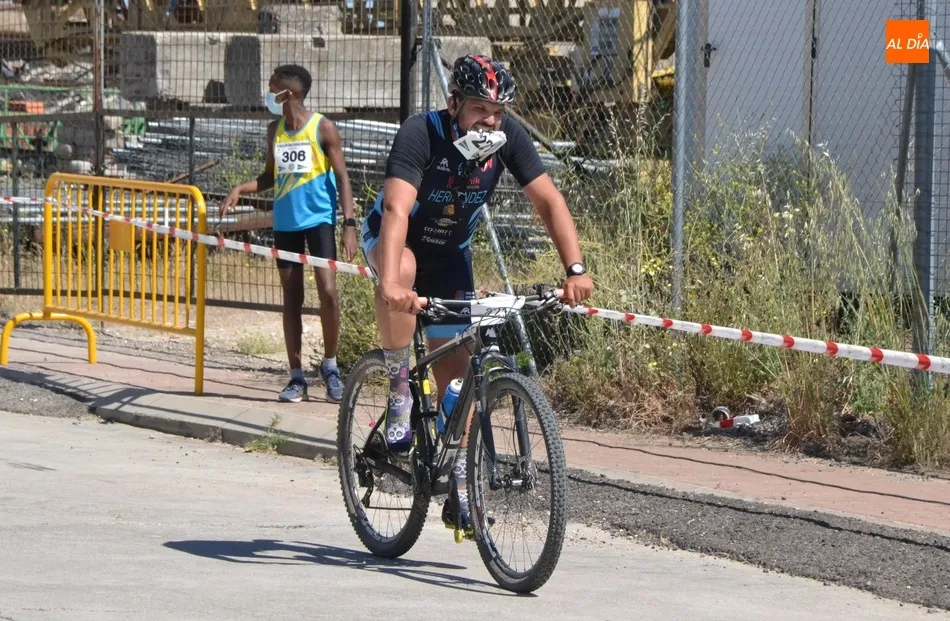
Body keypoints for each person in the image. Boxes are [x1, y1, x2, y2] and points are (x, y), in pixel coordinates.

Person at [360, 54, 594, 529]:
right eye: (479, 109)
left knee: (458, 378)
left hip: (450, 256)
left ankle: (461, 487)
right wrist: (390, 284)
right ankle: (400, 388)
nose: (489, 121)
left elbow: (549, 201)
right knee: (403, 268)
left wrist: (575, 270)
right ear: (454, 105)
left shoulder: (508, 140)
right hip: (396, 243)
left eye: (498, 112)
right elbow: (397, 211)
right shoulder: (420, 134)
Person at [220, 64, 358, 404]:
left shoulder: (322, 128)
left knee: (328, 291)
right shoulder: (275, 130)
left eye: (272, 87)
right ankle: (296, 377)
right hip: (286, 224)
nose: (268, 93)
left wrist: (349, 224)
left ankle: (330, 366)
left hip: (319, 220)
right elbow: (269, 177)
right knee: (291, 297)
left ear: (289, 93)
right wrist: (241, 188)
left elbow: (343, 177)